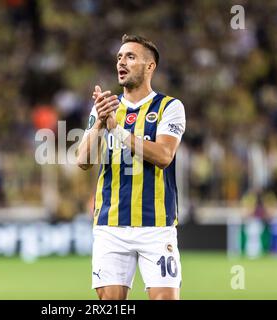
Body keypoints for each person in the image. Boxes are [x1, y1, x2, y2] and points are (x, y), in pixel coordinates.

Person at [77, 34, 186, 300]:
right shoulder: (105, 107)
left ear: (150, 66)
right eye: (119, 57)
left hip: (156, 226)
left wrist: (119, 130)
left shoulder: (169, 107)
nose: (121, 62)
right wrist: (100, 124)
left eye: (130, 56)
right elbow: (83, 161)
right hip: (111, 225)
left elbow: (163, 155)